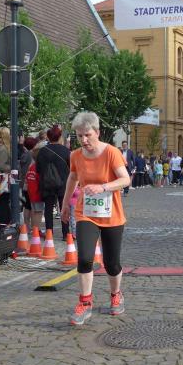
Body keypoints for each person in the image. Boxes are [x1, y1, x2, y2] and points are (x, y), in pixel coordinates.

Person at [61, 112, 130, 326]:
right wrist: (65, 204)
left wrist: (103, 187)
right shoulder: (75, 155)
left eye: (87, 135)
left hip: (112, 214)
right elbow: (73, 177)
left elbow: (125, 180)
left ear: (97, 132)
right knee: (84, 258)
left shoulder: (111, 152)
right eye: (79, 136)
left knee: (111, 263)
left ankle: (116, 294)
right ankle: (85, 303)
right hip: (86, 213)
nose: (83, 140)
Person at [37, 125, 71, 240]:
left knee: (48, 209)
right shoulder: (65, 151)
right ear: (60, 137)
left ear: (48, 137)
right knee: (63, 207)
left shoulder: (43, 151)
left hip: (47, 183)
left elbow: (38, 169)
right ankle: (66, 233)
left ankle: (49, 233)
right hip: (63, 183)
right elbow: (71, 168)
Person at [25, 141, 46, 235]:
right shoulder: (39, 167)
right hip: (37, 193)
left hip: (31, 193)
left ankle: (34, 229)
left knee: (34, 211)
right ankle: (36, 230)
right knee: (38, 212)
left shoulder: (32, 166)